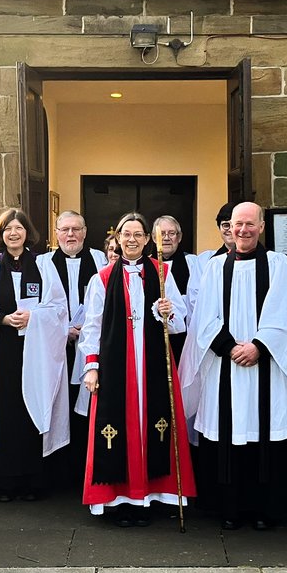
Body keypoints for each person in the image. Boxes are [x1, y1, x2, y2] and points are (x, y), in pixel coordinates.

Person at [181, 202, 287, 530]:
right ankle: (229, 508)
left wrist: (258, 347)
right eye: (236, 224)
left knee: (266, 430)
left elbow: (285, 312)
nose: (242, 230)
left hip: (268, 366)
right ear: (229, 228)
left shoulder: (278, 265)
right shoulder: (216, 267)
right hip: (225, 365)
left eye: (249, 224)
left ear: (261, 227)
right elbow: (204, 316)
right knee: (229, 431)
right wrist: (230, 347)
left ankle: (267, 509)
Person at [79, 213, 195, 526]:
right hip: (117, 366)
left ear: (147, 239)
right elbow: (92, 325)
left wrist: (165, 311)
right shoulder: (102, 277)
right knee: (118, 429)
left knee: (153, 426)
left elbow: (181, 320)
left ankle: (149, 498)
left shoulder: (162, 272)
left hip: (153, 361)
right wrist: (91, 367)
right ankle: (117, 501)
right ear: (117, 238)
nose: (132, 240)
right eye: (126, 234)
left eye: (138, 235)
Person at [0, 208, 69, 500]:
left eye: (19, 228)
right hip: (1, 351)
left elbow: (58, 308)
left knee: (30, 412)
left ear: (27, 233)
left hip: (36, 352)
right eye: (8, 229)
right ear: (1, 234)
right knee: (5, 413)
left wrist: (34, 316)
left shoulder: (44, 267)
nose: (13, 233)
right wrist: (3, 319)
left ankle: (33, 481)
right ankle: (4, 483)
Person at [47, 210, 108, 485]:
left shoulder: (100, 259)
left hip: (89, 345)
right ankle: (59, 471)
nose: (70, 235)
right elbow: (41, 307)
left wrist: (86, 330)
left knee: (85, 403)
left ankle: (86, 469)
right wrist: (64, 330)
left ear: (85, 232)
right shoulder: (44, 262)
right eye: (65, 229)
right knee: (59, 401)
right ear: (56, 233)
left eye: (76, 229)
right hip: (56, 345)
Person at [152, 215, 202, 364]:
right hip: (156, 335)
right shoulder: (147, 265)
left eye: (171, 233)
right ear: (154, 238)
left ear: (179, 237)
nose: (166, 238)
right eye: (162, 234)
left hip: (187, 335)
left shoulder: (193, 263)